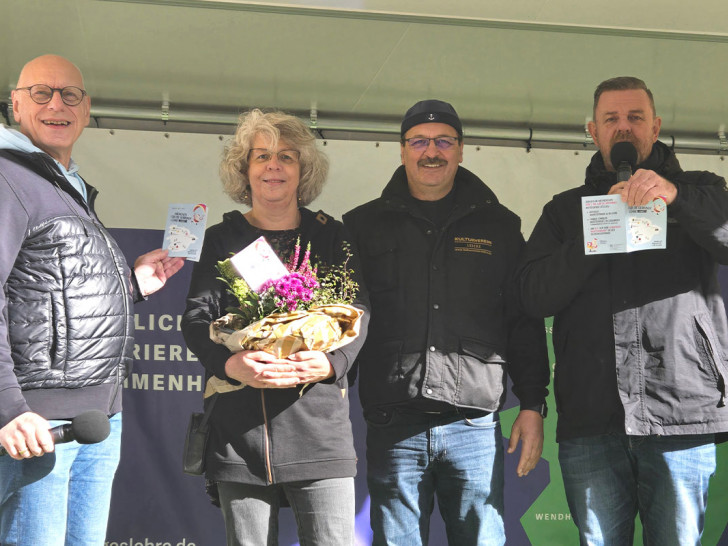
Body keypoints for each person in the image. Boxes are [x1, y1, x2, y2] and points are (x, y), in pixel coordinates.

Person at [516, 76, 728, 545]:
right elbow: (533, 295)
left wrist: (676, 197)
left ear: (656, 126)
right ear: (593, 131)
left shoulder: (702, 189)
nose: (624, 128)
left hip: (680, 414)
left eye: (635, 117)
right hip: (593, 421)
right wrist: (594, 234)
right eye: (612, 119)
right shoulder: (565, 212)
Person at [343, 99, 549, 545]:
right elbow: (343, 321)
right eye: (419, 141)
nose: (430, 151)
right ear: (401, 150)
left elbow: (523, 322)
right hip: (392, 419)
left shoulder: (499, 226)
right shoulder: (361, 226)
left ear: (460, 150)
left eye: (443, 141)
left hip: (473, 423)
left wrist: (532, 403)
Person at [0, 54, 184, 545]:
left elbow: (46, 287)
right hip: (38, 424)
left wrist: (131, 284)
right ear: (16, 106)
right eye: (41, 93)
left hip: (94, 423)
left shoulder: (62, 183)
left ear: (86, 110)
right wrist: (8, 408)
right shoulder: (5, 176)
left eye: (70, 95)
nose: (56, 104)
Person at [182, 109, 369, 546]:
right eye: (261, 156)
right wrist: (232, 365)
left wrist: (329, 363)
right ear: (244, 170)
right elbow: (195, 319)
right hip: (239, 433)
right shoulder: (220, 239)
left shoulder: (332, 237)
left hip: (318, 431)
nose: (273, 166)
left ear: (302, 170)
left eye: (286, 157)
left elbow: (358, 310)